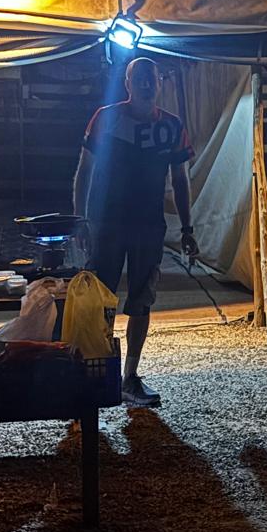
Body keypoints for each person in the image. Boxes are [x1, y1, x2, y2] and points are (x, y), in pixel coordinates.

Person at [73, 55, 198, 409]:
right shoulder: (106, 118)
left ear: (160, 83)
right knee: (102, 299)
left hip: (148, 224)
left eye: (151, 78)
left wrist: (187, 227)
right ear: (127, 83)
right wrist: (81, 219)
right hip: (107, 223)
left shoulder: (171, 125)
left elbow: (180, 179)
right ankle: (98, 372)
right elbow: (85, 170)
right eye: (138, 78)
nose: (145, 84)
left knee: (142, 299)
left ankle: (130, 376)